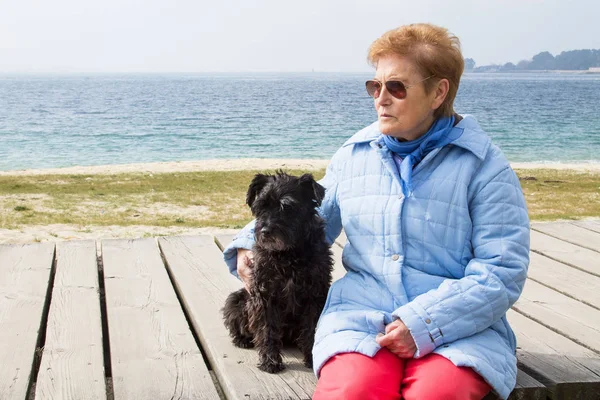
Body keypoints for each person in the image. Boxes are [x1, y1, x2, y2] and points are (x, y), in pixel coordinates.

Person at [223, 23, 529, 400]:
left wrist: (424, 323)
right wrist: (245, 244)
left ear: (438, 92)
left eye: (396, 87)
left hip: (458, 326)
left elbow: (502, 272)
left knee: (438, 394)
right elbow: (312, 214)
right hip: (362, 316)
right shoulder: (355, 155)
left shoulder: (485, 168)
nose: (380, 98)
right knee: (350, 392)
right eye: (375, 86)